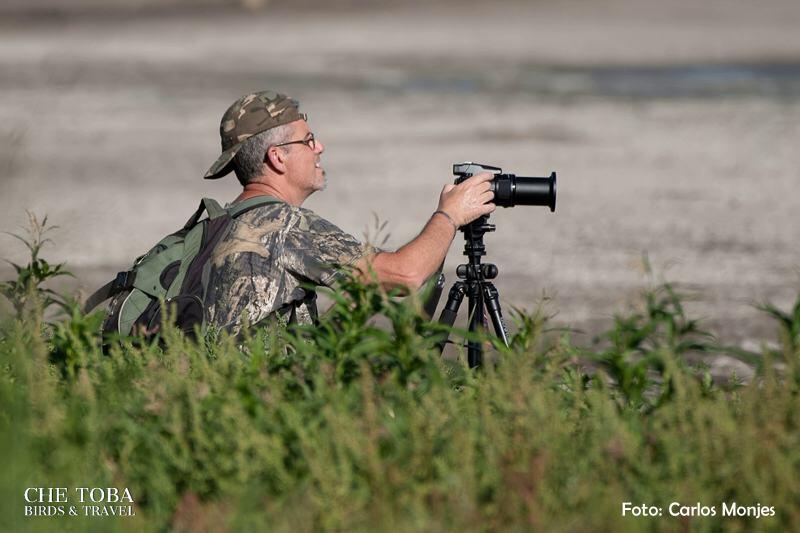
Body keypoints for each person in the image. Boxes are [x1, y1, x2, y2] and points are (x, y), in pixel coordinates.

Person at [202, 90, 495, 333]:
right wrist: (451, 214)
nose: (319, 147)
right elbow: (407, 275)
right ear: (277, 157)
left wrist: (356, 303)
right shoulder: (285, 225)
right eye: (307, 140)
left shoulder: (213, 227)